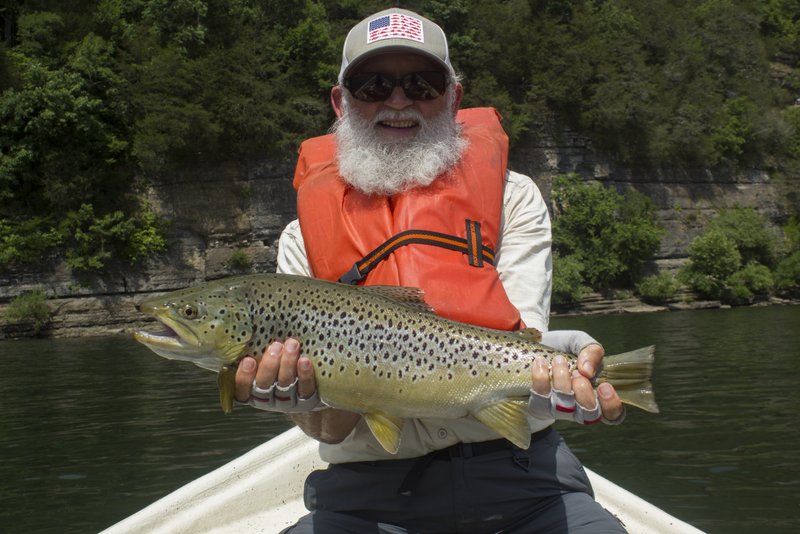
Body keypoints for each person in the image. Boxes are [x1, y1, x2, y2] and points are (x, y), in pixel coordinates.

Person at [235, 7, 627, 533]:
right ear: (341, 102)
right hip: (367, 496)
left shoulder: (516, 199)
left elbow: (518, 349)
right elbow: (328, 427)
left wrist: (569, 362)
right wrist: (306, 400)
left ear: (454, 98)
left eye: (421, 83)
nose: (398, 102)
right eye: (373, 84)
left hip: (523, 481)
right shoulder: (298, 240)